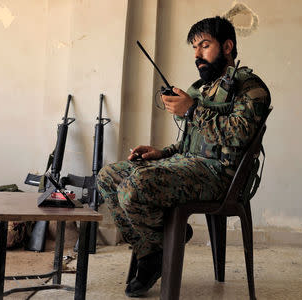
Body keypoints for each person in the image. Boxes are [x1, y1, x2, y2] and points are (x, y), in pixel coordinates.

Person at [97, 16, 271, 297]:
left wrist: (191, 110)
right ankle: (152, 251)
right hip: (190, 166)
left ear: (227, 46)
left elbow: (239, 135)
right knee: (107, 177)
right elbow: (189, 145)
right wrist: (160, 153)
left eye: (204, 45)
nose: (197, 55)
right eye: (194, 48)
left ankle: (160, 248)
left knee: (135, 186)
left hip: (221, 176)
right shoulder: (201, 90)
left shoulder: (250, 87)